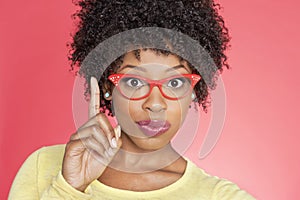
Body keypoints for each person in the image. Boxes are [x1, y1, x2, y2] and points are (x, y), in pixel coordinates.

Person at [9, 0, 255, 199]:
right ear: (107, 85)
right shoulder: (44, 166)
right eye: (135, 82)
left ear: (193, 90)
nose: (155, 103)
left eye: (175, 82)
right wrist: (68, 189)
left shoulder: (220, 196)